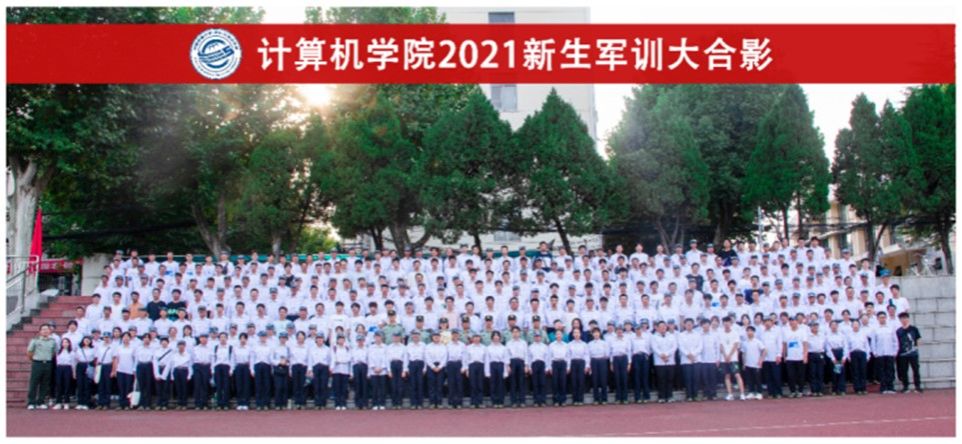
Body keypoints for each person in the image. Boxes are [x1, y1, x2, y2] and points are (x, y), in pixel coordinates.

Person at [26, 324, 57, 410]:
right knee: (34, 383)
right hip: (37, 363)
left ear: (50, 331)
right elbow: (29, 352)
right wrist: (34, 359)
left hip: (48, 364)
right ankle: (31, 402)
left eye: (47, 329)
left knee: (45, 383)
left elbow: (53, 353)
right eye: (43, 329)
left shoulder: (52, 341)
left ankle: (41, 401)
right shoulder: (35, 340)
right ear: (40, 331)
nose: (45, 331)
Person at [718, 317, 746, 401]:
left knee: (737, 375)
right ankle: (730, 394)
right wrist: (725, 355)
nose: (726, 324)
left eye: (728, 322)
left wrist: (730, 355)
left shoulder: (735, 333)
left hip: (733, 358)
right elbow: (721, 345)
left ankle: (742, 394)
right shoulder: (720, 333)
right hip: (724, 358)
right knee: (727, 376)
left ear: (731, 323)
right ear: (723, 323)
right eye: (725, 322)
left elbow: (735, 345)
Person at [782, 316, 809, 398]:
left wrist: (805, 356)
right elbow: (784, 345)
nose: (792, 322)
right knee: (791, 376)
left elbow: (805, 344)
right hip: (790, 357)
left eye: (793, 321)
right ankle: (792, 391)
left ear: (797, 322)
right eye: (790, 321)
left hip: (800, 357)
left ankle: (800, 391)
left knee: (801, 375)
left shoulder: (802, 331)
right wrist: (784, 356)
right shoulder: (786, 332)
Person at [873, 312, 899, 394]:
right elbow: (873, 342)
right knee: (881, 371)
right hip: (880, 353)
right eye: (881, 317)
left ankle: (890, 387)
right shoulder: (875, 329)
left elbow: (895, 341)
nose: (882, 319)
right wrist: (875, 352)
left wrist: (895, 351)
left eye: (884, 317)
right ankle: (883, 388)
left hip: (890, 352)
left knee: (890, 371)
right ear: (878, 319)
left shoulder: (891, 328)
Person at [896, 312, 922, 393]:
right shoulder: (898, 331)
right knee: (904, 371)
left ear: (908, 319)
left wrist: (916, 348)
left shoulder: (914, 329)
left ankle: (917, 386)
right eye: (902, 318)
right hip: (902, 354)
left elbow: (918, 339)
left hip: (913, 353)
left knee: (916, 370)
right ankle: (905, 387)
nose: (904, 320)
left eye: (905, 318)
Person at [651, 321, 677, 403]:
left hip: (670, 360)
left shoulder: (671, 336)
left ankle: (669, 396)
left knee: (670, 379)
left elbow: (674, 347)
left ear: (666, 327)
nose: (662, 328)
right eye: (661, 327)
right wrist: (662, 355)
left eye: (664, 326)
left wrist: (667, 355)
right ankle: (661, 396)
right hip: (659, 361)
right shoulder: (654, 337)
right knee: (661, 379)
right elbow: (654, 348)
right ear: (657, 328)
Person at [677, 319, 701, 402]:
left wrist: (693, 354)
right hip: (685, 359)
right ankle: (689, 395)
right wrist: (688, 354)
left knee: (696, 378)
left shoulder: (698, 334)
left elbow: (700, 346)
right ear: (684, 325)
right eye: (687, 324)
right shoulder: (681, 335)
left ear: (693, 325)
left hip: (696, 359)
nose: (689, 326)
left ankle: (695, 395)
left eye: (690, 324)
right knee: (688, 378)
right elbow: (680, 346)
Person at [112, 332, 136, 410]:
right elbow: (116, 359)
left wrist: (134, 370)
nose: (126, 338)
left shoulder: (133, 348)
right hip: (120, 370)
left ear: (130, 338)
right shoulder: (119, 348)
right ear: (122, 338)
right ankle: (121, 404)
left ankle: (127, 404)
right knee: (121, 387)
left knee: (128, 388)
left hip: (129, 370)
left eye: (127, 336)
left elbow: (135, 359)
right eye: (124, 337)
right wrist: (115, 370)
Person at [825, 320, 849, 396]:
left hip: (840, 353)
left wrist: (844, 357)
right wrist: (832, 358)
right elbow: (827, 348)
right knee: (834, 372)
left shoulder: (842, 335)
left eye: (835, 325)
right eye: (832, 325)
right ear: (830, 327)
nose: (834, 327)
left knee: (841, 372)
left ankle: (842, 389)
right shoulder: (827, 336)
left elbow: (846, 346)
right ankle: (834, 390)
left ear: (837, 326)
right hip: (833, 354)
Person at [741, 326, 766, 400]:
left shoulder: (757, 342)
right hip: (748, 364)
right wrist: (744, 363)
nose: (749, 332)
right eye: (748, 331)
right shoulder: (745, 342)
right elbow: (743, 354)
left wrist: (761, 360)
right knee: (749, 379)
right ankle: (751, 392)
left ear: (754, 332)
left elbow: (764, 350)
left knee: (757, 379)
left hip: (756, 364)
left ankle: (759, 393)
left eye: (751, 331)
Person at [506, 326, 528, 407]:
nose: (515, 333)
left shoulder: (523, 343)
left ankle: (522, 401)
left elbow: (526, 354)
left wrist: (526, 365)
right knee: (513, 382)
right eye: (514, 332)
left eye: (517, 332)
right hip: (512, 362)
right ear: (511, 333)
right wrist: (508, 365)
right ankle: (513, 401)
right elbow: (507, 355)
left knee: (521, 382)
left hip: (521, 362)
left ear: (519, 333)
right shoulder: (508, 343)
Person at [486, 331, 509, 408]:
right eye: (494, 336)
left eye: (497, 336)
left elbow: (506, 359)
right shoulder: (488, 348)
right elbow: (487, 360)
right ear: (492, 338)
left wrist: (505, 371)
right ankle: (494, 401)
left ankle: (500, 401)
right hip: (492, 365)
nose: (496, 337)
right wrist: (487, 372)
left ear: (499, 337)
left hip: (501, 365)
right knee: (493, 384)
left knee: (501, 384)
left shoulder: (503, 348)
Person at [425, 331, 447, 408]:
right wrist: (433, 367)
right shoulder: (428, 346)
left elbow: (445, 357)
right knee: (431, 385)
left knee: (439, 385)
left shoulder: (443, 346)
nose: (436, 337)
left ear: (440, 337)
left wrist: (440, 367)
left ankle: (439, 402)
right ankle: (432, 403)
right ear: (432, 337)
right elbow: (427, 357)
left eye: (438, 336)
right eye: (434, 336)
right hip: (431, 366)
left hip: (441, 366)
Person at [308, 334, 331, 410]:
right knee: (316, 386)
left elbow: (330, 359)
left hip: (324, 367)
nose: (320, 340)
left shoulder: (327, 349)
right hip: (315, 367)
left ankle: (323, 403)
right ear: (316, 340)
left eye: (321, 338)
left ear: (323, 340)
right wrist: (310, 370)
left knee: (323, 386)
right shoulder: (312, 349)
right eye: (318, 338)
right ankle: (317, 403)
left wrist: (330, 368)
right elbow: (310, 360)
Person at [212, 332, 234, 410]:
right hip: (218, 367)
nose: (223, 339)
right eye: (221, 337)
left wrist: (231, 369)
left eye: (224, 337)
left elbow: (232, 359)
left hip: (226, 367)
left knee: (226, 386)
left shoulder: (230, 347)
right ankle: (219, 403)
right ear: (219, 338)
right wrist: (213, 369)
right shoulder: (216, 347)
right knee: (218, 386)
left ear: (227, 338)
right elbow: (213, 359)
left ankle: (226, 404)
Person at [847, 320, 870, 395]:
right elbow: (847, 347)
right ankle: (857, 388)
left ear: (859, 326)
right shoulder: (849, 335)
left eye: (857, 324)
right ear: (852, 326)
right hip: (853, 353)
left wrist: (868, 355)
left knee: (863, 371)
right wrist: (848, 356)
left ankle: (863, 388)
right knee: (855, 371)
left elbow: (867, 346)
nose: (855, 326)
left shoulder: (863, 334)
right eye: (854, 325)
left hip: (862, 353)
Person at [548, 327, 569, 406]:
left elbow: (568, 356)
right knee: (555, 382)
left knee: (563, 382)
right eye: (557, 334)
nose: (559, 335)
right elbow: (549, 357)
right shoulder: (551, 345)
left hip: (563, 363)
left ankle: (563, 400)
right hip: (555, 363)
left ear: (562, 335)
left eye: (560, 334)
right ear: (555, 336)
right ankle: (556, 400)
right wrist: (549, 367)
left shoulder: (566, 345)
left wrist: (568, 367)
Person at [386, 332, 407, 409]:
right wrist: (389, 370)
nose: (396, 338)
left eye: (397, 337)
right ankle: (394, 403)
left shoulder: (403, 347)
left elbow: (405, 359)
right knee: (393, 385)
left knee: (400, 385)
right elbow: (387, 359)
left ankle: (399, 403)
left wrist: (404, 370)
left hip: (400, 364)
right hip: (392, 365)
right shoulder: (389, 347)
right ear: (392, 338)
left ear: (400, 338)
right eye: (394, 337)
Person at [252, 331, 273, 410]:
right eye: (261, 336)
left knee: (266, 385)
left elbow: (271, 359)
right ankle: (259, 403)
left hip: (266, 365)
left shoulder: (269, 346)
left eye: (264, 336)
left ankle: (266, 403)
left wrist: (272, 368)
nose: (263, 338)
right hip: (258, 365)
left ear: (266, 337)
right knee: (258, 385)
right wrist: (252, 369)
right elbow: (252, 358)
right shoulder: (255, 346)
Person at [464, 333, 486, 408]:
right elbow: (466, 359)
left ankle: (480, 402)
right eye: (475, 337)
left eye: (478, 337)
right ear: (472, 339)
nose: (476, 339)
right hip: (472, 365)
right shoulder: (468, 347)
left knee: (480, 384)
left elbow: (486, 359)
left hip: (481, 365)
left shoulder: (484, 347)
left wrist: (486, 370)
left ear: (480, 338)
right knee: (473, 384)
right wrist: (467, 369)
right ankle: (473, 402)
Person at [170, 339, 193, 410]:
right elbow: (172, 365)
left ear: (185, 346)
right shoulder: (174, 355)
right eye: (179, 345)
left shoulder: (188, 355)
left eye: (182, 345)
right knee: (178, 388)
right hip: (176, 370)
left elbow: (190, 366)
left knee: (184, 388)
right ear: (177, 346)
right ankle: (179, 403)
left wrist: (189, 375)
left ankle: (184, 404)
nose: (181, 347)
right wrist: (172, 375)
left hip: (184, 370)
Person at [368, 332, 389, 410]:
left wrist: (382, 367)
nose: (378, 338)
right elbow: (370, 358)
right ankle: (375, 404)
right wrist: (374, 368)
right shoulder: (371, 347)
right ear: (374, 338)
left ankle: (382, 403)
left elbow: (386, 358)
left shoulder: (385, 347)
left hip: (382, 370)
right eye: (376, 337)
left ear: (382, 338)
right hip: (373, 371)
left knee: (382, 388)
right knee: (375, 388)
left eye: (379, 337)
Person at [289, 331, 310, 410]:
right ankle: (297, 402)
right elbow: (291, 359)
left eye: (302, 338)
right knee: (296, 385)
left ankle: (303, 402)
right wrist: (290, 369)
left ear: (304, 338)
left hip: (303, 367)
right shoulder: (293, 347)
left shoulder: (307, 347)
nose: (300, 339)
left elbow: (309, 359)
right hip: (295, 367)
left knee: (303, 385)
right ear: (297, 338)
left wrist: (309, 369)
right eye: (299, 338)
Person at [406, 330, 426, 409]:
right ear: (412, 337)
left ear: (419, 336)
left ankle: (420, 403)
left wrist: (424, 368)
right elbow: (406, 357)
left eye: (417, 335)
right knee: (412, 384)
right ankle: (413, 403)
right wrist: (406, 368)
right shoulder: (409, 345)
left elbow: (425, 357)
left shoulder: (423, 345)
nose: (415, 337)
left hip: (420, 364)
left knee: (420, 384)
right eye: (414, 335)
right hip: (412, 364)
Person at [232, 333, 253, 410]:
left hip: (246, 367)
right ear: (239, 339)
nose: (243, 340)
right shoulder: (235, 348)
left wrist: (251, 369)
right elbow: (233, 359)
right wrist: (232, 369)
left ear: (246, 340)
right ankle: (239, 403)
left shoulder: (249, 348)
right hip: (238, 367)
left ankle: (246, 403)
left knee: (246, 385)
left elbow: (251, 359)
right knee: (239, 385)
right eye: (241, 338)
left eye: (244, 338)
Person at [133, 334, 155, 409]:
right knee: (141, 385)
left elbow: (154, 360)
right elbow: (136, 359)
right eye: (145, 338)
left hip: (149, 366)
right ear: (142, 339)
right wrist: (134, 369)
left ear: (150, 340)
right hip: (140, 366)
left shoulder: (153, 349)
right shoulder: (138, 348)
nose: (146, 339)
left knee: (148, 385)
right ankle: (141, 404)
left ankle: (148, 404)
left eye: (148, 338)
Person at [53, 338, 75, 409]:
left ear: (69, 344)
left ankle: (66, 402)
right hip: (59, 368)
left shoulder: (71, 352)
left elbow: (73, 364)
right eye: (63, 342)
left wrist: (73, 373)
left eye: (66, 342)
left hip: (68, 368)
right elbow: (57, 362)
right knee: (59, 385)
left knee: (67, 385)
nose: (65, 344)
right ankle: (58, 402)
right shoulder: (59, 352)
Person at [446, 329, 465, 408]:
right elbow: (446, 356)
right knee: (451, 383)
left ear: (459, 335)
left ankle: (459, 402)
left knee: (459, 383)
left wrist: (464, 366)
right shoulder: (448, 345)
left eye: (456, 334)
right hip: (450, 364)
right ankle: (451, 402)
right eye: (454, 334)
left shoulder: (462, 345)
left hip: (459, 364)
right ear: (451, 335)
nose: (455, 336)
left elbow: (464, 356)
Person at [331, 334, 352, 410]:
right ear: (337, 340)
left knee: (344, 388)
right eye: (339, 339)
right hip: (336, 370)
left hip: (345, 370)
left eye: (342, 339)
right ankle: (337, 404)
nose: (341, 341)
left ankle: (343, 404)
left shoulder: (347, 348)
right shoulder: (334, 348)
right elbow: (333, 359)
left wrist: (340, 360)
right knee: (337, 388)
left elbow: (348, 359)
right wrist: (340, 360)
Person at [272, 332, 292, 409]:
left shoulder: (288, 348)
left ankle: (284, 404)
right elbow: (271, 358)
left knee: (285, 387)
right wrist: (279, 362)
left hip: (286, 368)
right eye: (281, 338)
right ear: (279, 339)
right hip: (278, 367)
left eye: (284, 338)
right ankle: (278, 404)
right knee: (278, 387)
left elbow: (290, 358)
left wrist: (286, 362)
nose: (283, 339)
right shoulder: (275, 348)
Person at [75, 336, 95, 410]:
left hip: (89, 366)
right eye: (85, 340)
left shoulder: (93, 350)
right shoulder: (79, 349)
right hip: (80, 366)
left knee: (87, 385)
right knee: (80, 385)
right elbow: (76, 359)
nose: (86, 341)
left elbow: (94, 359)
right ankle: (80, 403)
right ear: (82, 341)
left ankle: (86, 403)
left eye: (88, 340)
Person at [806, 322, 827, 396]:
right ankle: (814, 390)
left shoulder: (822, 335)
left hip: (820, 354)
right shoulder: (808, 336)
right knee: (812, 373)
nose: (815, 328)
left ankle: (820, 390)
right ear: (810, 328)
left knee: (820, 373)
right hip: (811, 354)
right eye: (813, 326)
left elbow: (824, 346)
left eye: (816, 326)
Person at [350, 334, 370, 409]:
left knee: (364, 386)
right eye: (358, 340)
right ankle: (358, 404)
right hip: (356, 366)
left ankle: (365, 404)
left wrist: (369, 372)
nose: (360, 342)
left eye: (361, 340)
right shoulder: (353, 350)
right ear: (356, 341)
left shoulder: (367, 349)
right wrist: (351, 372)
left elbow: (369, 361)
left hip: (364, 366)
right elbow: (351, 361)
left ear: (364, 341)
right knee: (357, 385)